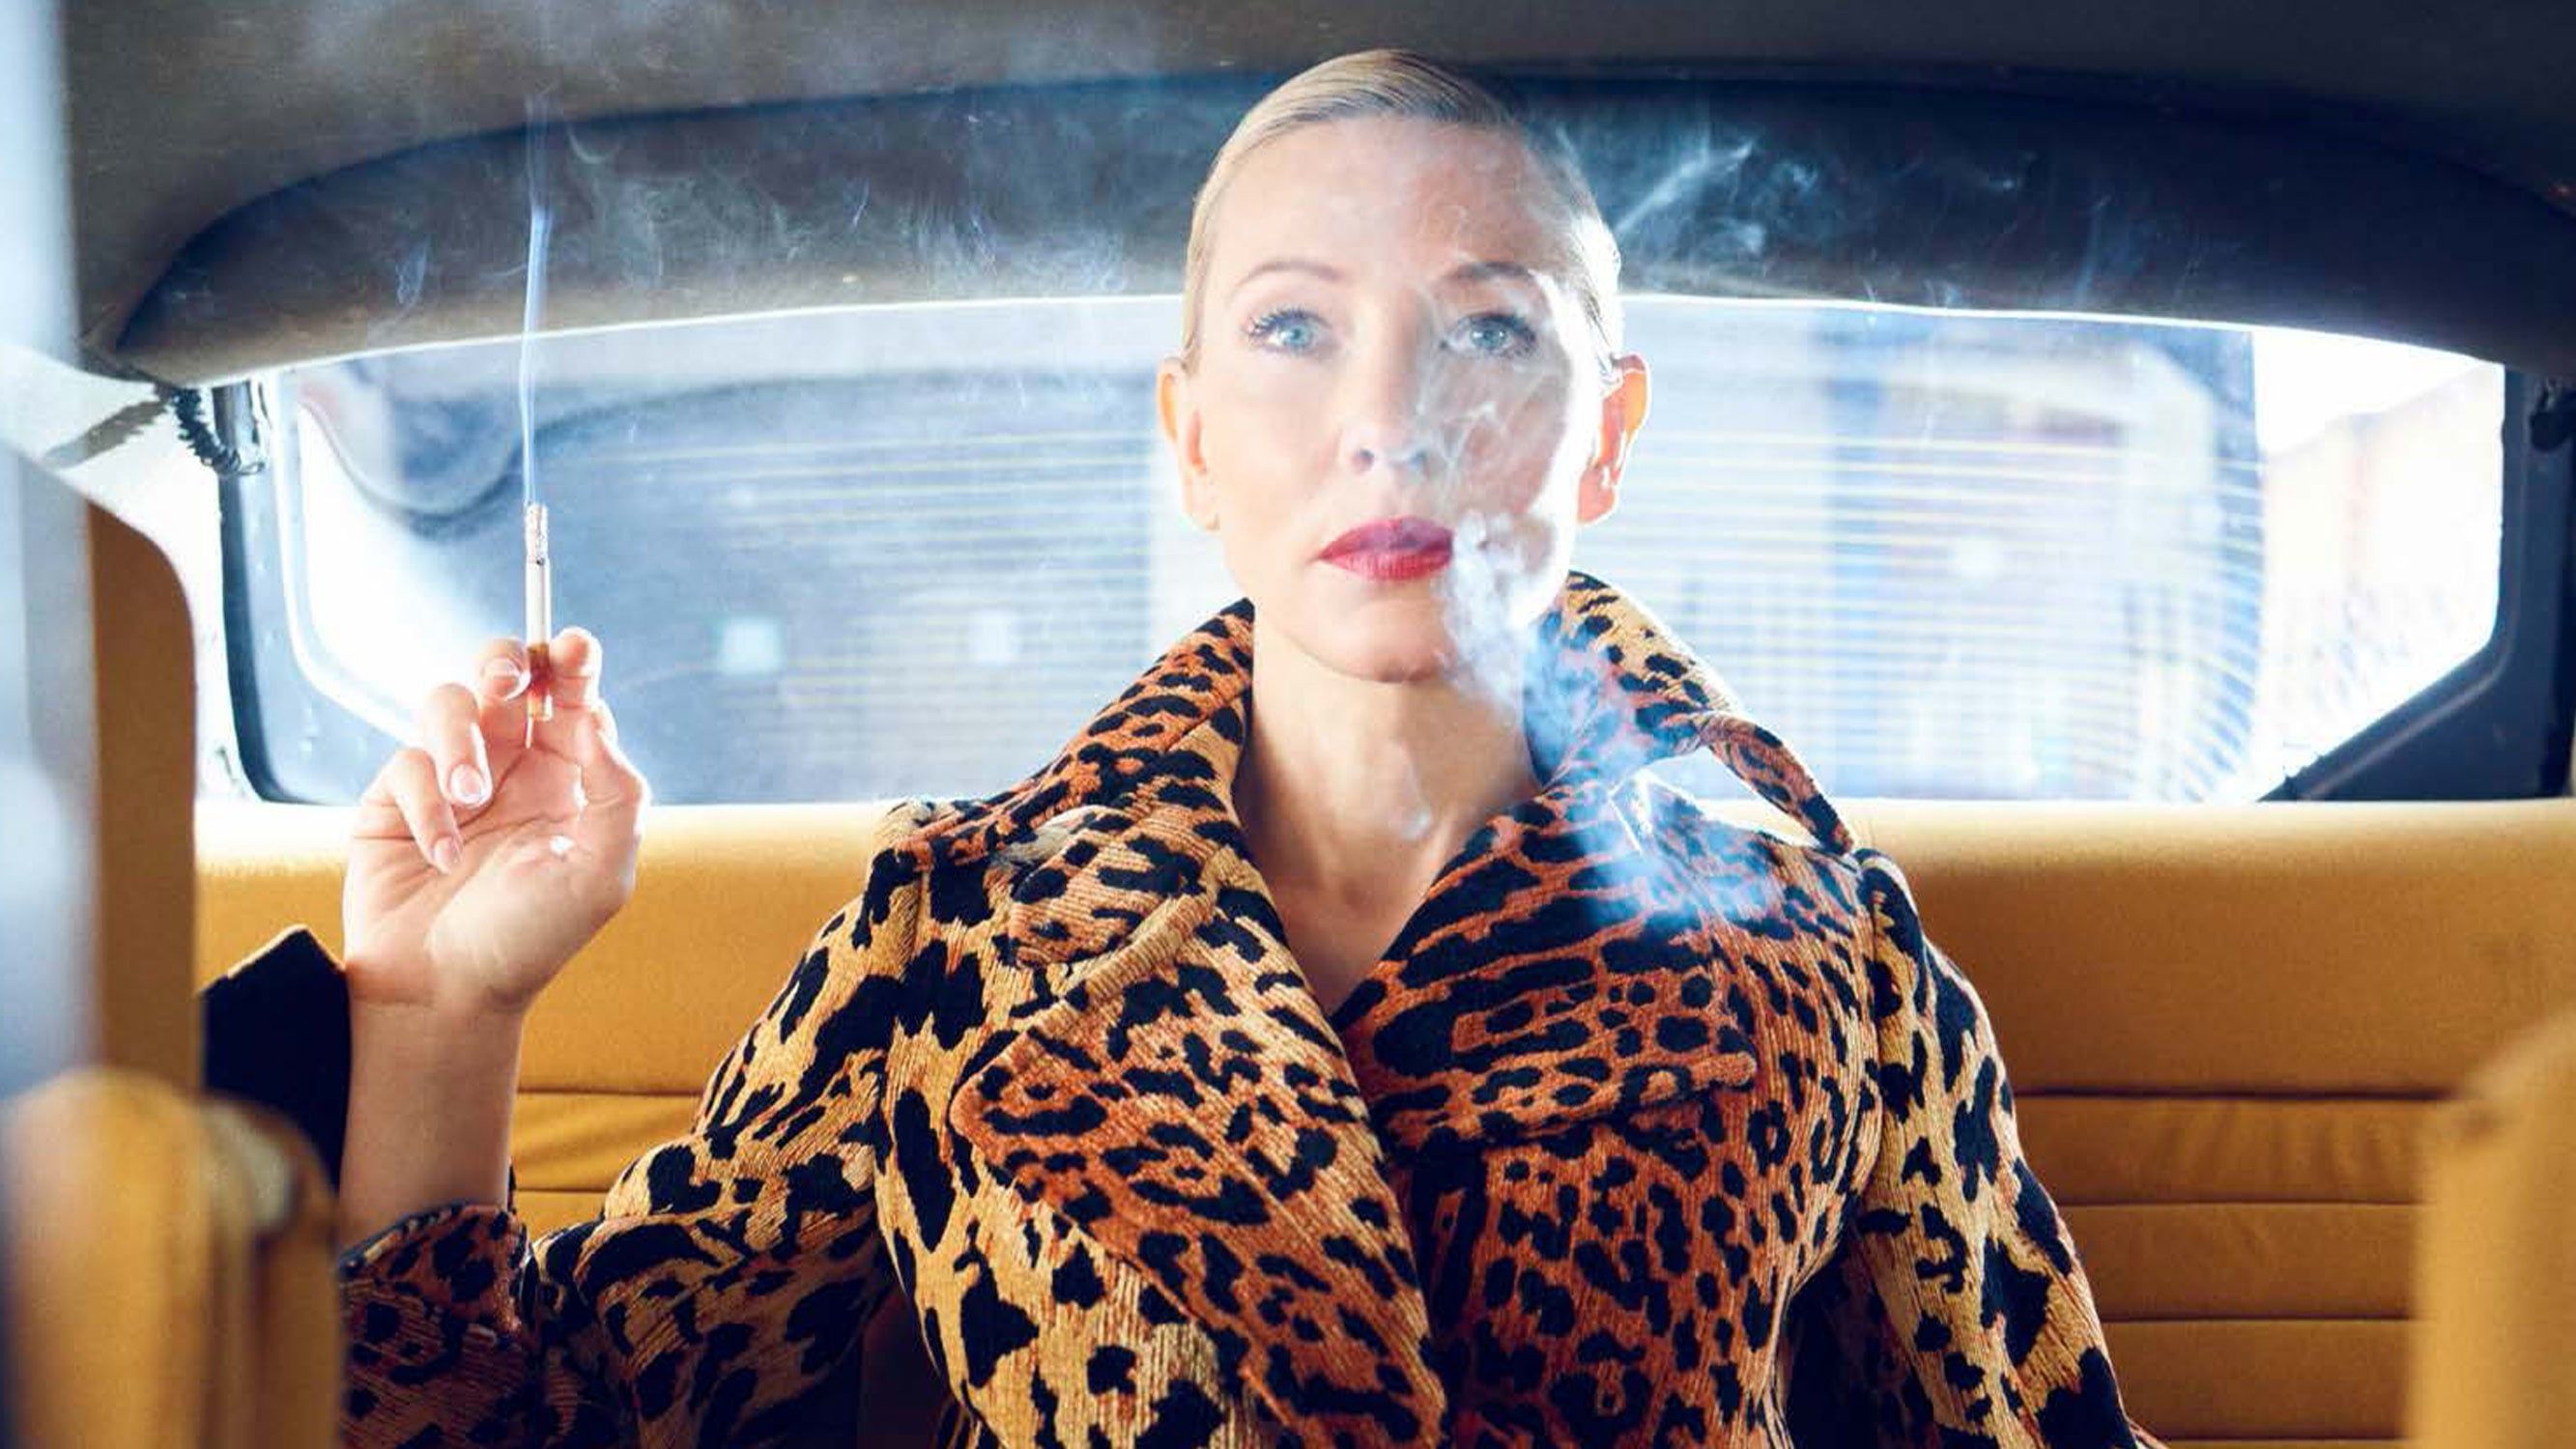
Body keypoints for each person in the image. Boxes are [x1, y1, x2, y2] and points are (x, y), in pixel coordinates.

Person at [285, 49, 2170, 1448]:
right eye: (1292, 328)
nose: (1388, 421)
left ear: (1604, 433)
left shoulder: (1820, 942)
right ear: (1189, 440)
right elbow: (524, 1429)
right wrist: (444, 1015)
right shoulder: (955, 937)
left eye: (1487, 332)